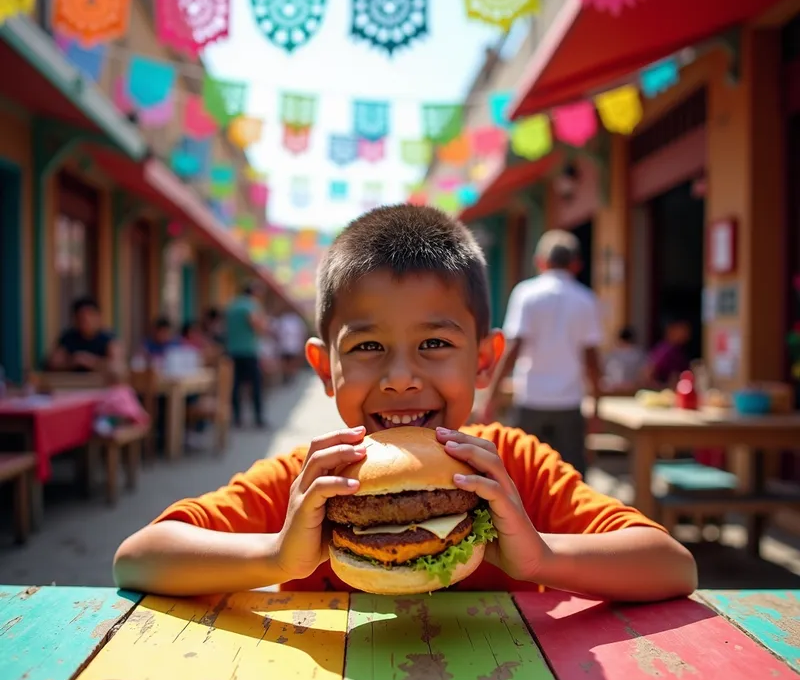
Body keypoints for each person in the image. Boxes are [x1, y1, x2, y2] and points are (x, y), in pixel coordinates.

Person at [114, 204, 696, 602]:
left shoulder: (513, 466)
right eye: (367, 347)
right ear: (324, 368)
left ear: (485, 361)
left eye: (435, 344)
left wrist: (540, 557)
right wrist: (277, 555)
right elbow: (138, 558)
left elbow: (672, 565)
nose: (399, 378)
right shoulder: (314, 477)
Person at [476, 230, 602, 478]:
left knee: (523, 475)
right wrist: (597, 406)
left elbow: (513, 350)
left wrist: (492, 395)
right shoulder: (586, 300)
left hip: (531, 398)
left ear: (540, 261)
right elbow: (592, 360)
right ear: (576, 264)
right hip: (569, 403)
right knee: (571, 478)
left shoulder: (526, 294)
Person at [225, 283, 268, 428]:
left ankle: (236, 418)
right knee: (255, 385)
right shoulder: (250, 305)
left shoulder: (232, 305)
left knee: (235, 386)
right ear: (254, 292)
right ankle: (258, 418)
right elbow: (256, 324)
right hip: (248, 351)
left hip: (232, 351)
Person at [49, 296, 122, 376]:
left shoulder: (109, 339)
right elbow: (53, 363)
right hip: (72, 384)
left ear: (98, 317)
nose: (87, 320)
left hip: (101, 385)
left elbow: (118, 367)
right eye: (81, 318)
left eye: (90, 316)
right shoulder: (68, 338)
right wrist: (72, 362)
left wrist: (92, 362)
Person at [645, 316, 692, 389]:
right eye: (683, 329)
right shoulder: (664, 351)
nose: (687, 334)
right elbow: (648, 373)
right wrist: (662, 388)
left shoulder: (679, 351)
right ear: (671, 330)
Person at [603, 326, 648, 394]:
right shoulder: (640, 354)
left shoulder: (612, 354)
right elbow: (645, 375)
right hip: (633, 391)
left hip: (614, 391)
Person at [276, 308, 308, 383]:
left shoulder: (295, 320)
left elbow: (301, 333)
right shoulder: (283, 320)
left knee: (292, 361)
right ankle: (287, 375)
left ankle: (291, 375)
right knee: (286, 361)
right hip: (285, 345)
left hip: (292, 345)